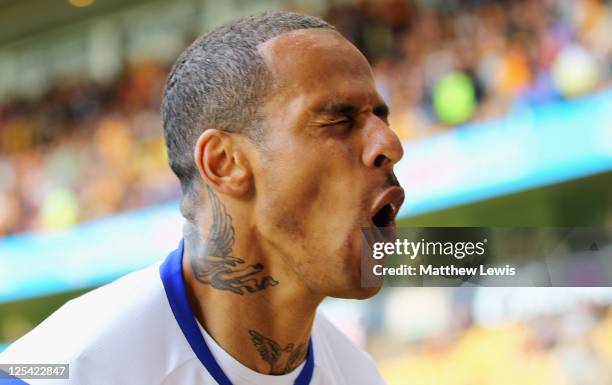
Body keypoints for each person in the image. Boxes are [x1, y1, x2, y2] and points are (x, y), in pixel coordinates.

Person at [0, 11, 404, 384]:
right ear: (224, 163)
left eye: (380, 117)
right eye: (338, 120)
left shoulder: (359, 375)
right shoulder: (58, 371)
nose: (390, 143)